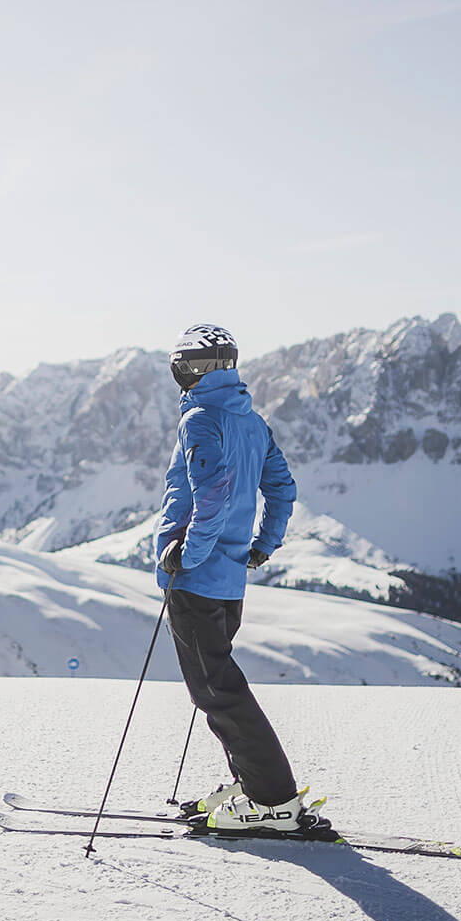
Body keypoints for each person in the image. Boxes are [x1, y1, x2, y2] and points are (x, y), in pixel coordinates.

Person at [154, 324, 318, 833]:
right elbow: (283, 490)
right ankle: (252, 786)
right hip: (228, 584)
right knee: (216, 688)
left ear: (192, 368)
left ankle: (272, 801)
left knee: (218, 692)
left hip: (196, 580)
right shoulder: (251, 421)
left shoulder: (200, 419)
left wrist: (186, 555)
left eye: (180, 365)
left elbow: (213, 496)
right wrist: (263, 545)